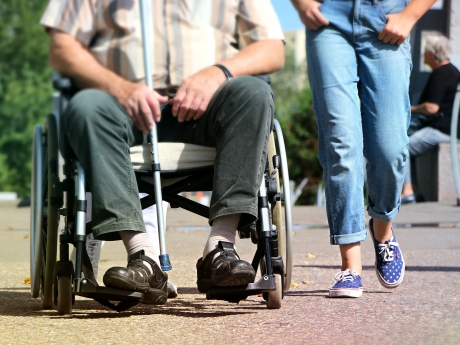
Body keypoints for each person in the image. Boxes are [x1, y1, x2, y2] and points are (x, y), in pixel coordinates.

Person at [40, 0, 284, 305]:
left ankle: (221, 247)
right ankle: (143, 257)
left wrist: (219, 72)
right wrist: (119, 86)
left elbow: (272, 48)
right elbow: (62, 47)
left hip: (208, 106)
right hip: (121, 106)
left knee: (254, 93)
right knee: (86, 107)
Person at [290, 0, 437, 297]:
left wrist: (411, 15)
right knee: (341, 142)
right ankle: (350, 266)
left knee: (389, 147)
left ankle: (382, 229)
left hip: (387, 15)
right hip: (328, 19)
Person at [401, 33, 460, 203]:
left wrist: (409, 107)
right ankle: (414, 191)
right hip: (450, 128)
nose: (423, 54)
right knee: (407, 145)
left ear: (432, 54)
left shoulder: (441, 73)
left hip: (443, 129)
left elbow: (431, 108)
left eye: (425, 51)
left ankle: (408, 191)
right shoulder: (452, 71)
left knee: (402, 147)